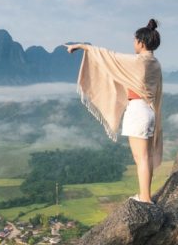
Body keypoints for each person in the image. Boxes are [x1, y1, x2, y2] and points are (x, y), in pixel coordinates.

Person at [65, 19, 162, 204]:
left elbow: (107, 56)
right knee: (145, 157)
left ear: (141, 42)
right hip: (148, 111)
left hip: (138, 111)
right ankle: (145, 195)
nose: (133, 44)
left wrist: (79, 46)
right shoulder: (155, 63)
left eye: (135, 41)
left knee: (140, 158)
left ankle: (146, 198)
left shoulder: (138, 62)